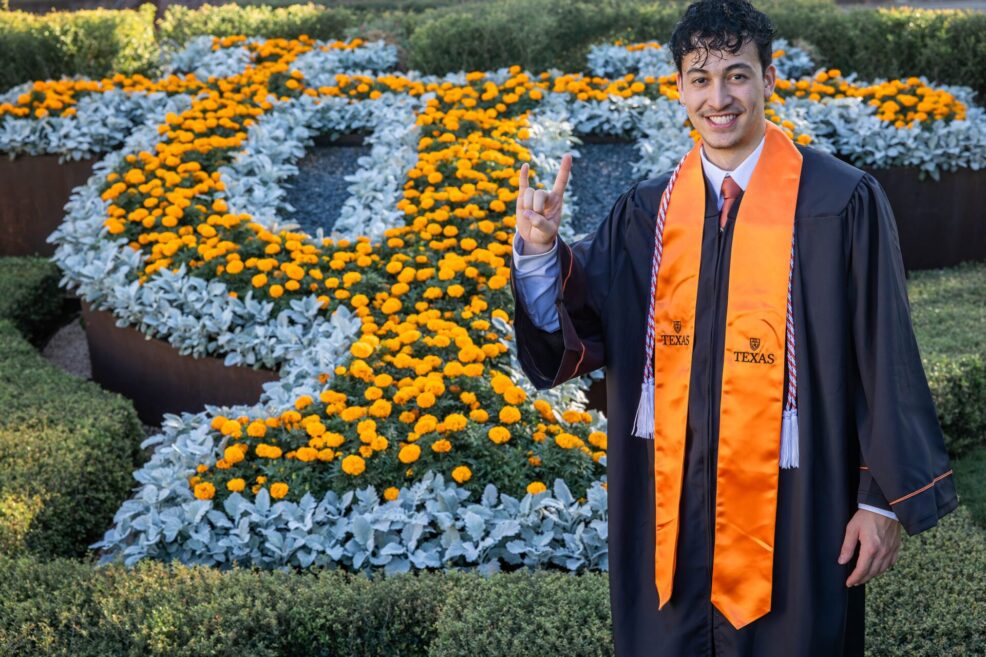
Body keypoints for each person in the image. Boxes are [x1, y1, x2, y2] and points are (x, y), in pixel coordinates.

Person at [508, 1, 958, 655]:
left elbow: (881, 351)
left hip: (800, 506)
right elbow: (584, 323)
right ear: (681, 88)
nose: (718, 97)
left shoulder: (840, 201)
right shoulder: (648, 214)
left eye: (737, 75)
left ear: (770, 79)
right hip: (672, 509)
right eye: (700, 77)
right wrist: (543, 252)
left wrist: (879, 498)